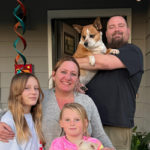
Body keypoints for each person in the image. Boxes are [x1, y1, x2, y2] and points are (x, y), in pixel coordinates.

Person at [0, 56, 115, 150]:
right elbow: (16, 107)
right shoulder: (40, 97)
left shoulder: (87, 102)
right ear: (54, 75)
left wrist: (109, 148)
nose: (68, 77)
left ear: (77, 79)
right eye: (63, 72)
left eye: (73, 74)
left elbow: (99, 134)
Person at [75, 16, 144, 150]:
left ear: (128, 31)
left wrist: (69, 63)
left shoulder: (132, 51)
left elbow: (103, 62)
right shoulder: (100, 51)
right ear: (105, 33)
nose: (116, 29)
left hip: (115, 126)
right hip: (89, 124)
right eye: (111, 27)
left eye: (121, 25)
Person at [0, 73, 45, 149]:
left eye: (36, 88)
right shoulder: (9, 121)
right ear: (16, 92)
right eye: (27, 88)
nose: (34, 92)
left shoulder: (34, 116)